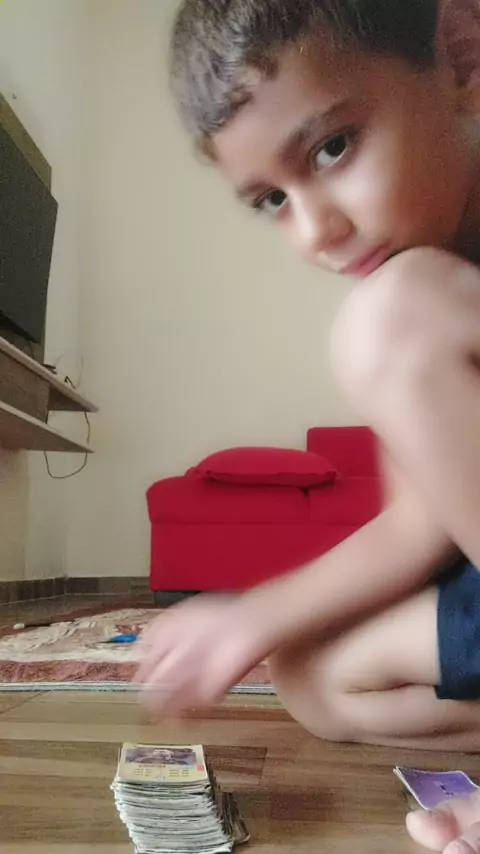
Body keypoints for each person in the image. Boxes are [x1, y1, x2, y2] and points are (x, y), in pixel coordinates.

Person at [137, 1, 480, 850]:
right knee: (306, 678)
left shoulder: (406, 309)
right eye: (271, 200)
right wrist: (250, 618)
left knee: (388, 320)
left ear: (462, 50)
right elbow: (418, 524)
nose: (317, 230)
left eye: (333, 147)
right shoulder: (428, 272)